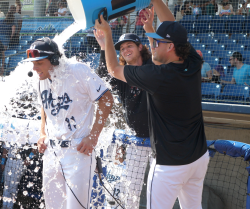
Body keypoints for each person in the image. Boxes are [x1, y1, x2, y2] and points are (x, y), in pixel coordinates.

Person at [94, 0, 209, 208]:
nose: (153, 44)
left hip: (170, 163)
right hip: (199, 158)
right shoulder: (192, 61)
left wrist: (108, 36)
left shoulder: (158, 75)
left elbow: (112, 68)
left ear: (171, 46)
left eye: (157, 42)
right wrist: (154, 14)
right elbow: (172, 25)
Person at [27, 37, 113, 209]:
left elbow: (107, 99)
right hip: (52, 152)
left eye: (39, 63)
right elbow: (44, 106)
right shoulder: (40, 79)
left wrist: (94, 135)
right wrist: (43, 133)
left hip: (78, 151)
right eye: (33, 63)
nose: (34, 68)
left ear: (54, 60)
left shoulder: (78, 71)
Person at [94, 31, 153, 208]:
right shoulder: (122, 75)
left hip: (160, 139)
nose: (125, 50)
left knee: (157, 190)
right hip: (137, 139)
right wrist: (104, 47)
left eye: (129, 46)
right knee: (131, 191)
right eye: (121, 48)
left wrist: (150, 28)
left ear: (140, 47)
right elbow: (103, 76)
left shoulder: (152, 67)